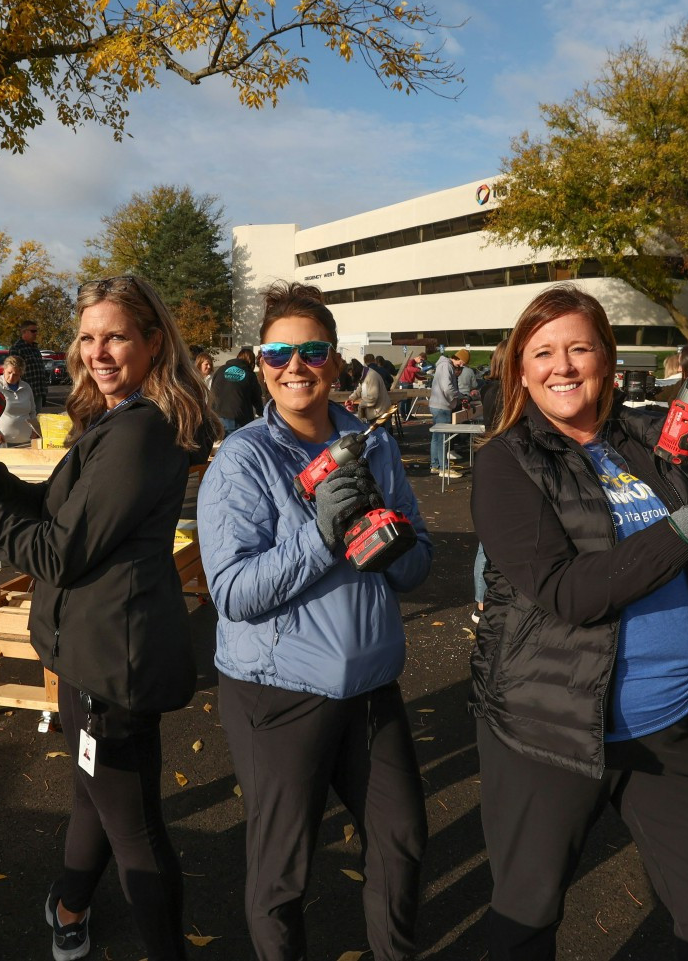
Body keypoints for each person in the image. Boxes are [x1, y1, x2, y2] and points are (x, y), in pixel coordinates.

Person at [470, 284, 688, 961]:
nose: (563, 366)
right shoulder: (506, 462)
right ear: (521, 370)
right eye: (544, 352)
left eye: (580, 348)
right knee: (525, 915)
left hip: (672, 723)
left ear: (608, 361)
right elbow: (567, 591)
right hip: (548, 728)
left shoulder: (652, 442)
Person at [0, 274, 219, 961]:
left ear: (152, 341)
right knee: (94, 792)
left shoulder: (142, 430)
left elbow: (56, 552)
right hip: (93, 649)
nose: (98, 352)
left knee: (135, 827)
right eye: (87, 337)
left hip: (115, 659)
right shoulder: (117, 419)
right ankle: (70, 903)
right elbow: (61, 512)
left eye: (115, 336)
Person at [198, 282, 433, 961]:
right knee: (283, 870)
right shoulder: (243, 458)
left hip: (369, 687)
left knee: (402, 838)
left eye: (311, 350)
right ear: (260, 361)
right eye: (278, 352)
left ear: (334, 362)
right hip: (277, 692)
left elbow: (419, 565)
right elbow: (234, 592)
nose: (294, 365)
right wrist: (323, 533)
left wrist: (387, 543)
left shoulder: (374, 446)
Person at [471, 337, 511, 624]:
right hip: (503, 467)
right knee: (489, 544)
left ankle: (481, 602)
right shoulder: (503, 391)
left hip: (492, 463)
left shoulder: (490, 388)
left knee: (488, 541)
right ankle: (482, 603)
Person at [428, 348, 469, 478]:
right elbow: (447, 388)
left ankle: (435, 465)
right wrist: (460, 397)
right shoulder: (447, 366)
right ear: (457, 358)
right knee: (443, 439)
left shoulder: (443, 365)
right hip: (442, 406)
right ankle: (443, 468)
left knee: (436, 437)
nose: (462, 365)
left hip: (437, 404)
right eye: (462, 362)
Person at [0, 354, 39, 448]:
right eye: (9, 372)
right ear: (4, 370)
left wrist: (35, 430)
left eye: (15, 374)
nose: (11, 377)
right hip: (0, 441)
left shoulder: (26, 387)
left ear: (21, 374)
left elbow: (32, 411)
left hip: (26, 441)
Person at [211, 346, 264, 434]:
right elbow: (257, 397)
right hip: (238, 418)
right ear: (251, 362)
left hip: (217, 417)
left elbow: (212, 390)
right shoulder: (249, 374)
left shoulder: (221, 370)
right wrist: (262, 413)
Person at [8, 319, 51, 411]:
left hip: (38, 392)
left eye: (36, 331)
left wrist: (43, 392)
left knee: (35, 420)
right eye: (33, 331)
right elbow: (13, 372)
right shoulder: (17, 349)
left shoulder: (35, 349)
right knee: (25, 421)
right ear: (24, 332)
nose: (35, 333)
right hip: (24, 393)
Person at [348, 354, 392, 423]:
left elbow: (372, 399)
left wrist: (360, 405)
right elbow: (360, 388)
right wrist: (351, 399)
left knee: (382, 433)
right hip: (375, 412)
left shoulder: (371, 377)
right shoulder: (364, 375)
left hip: (380, 413)